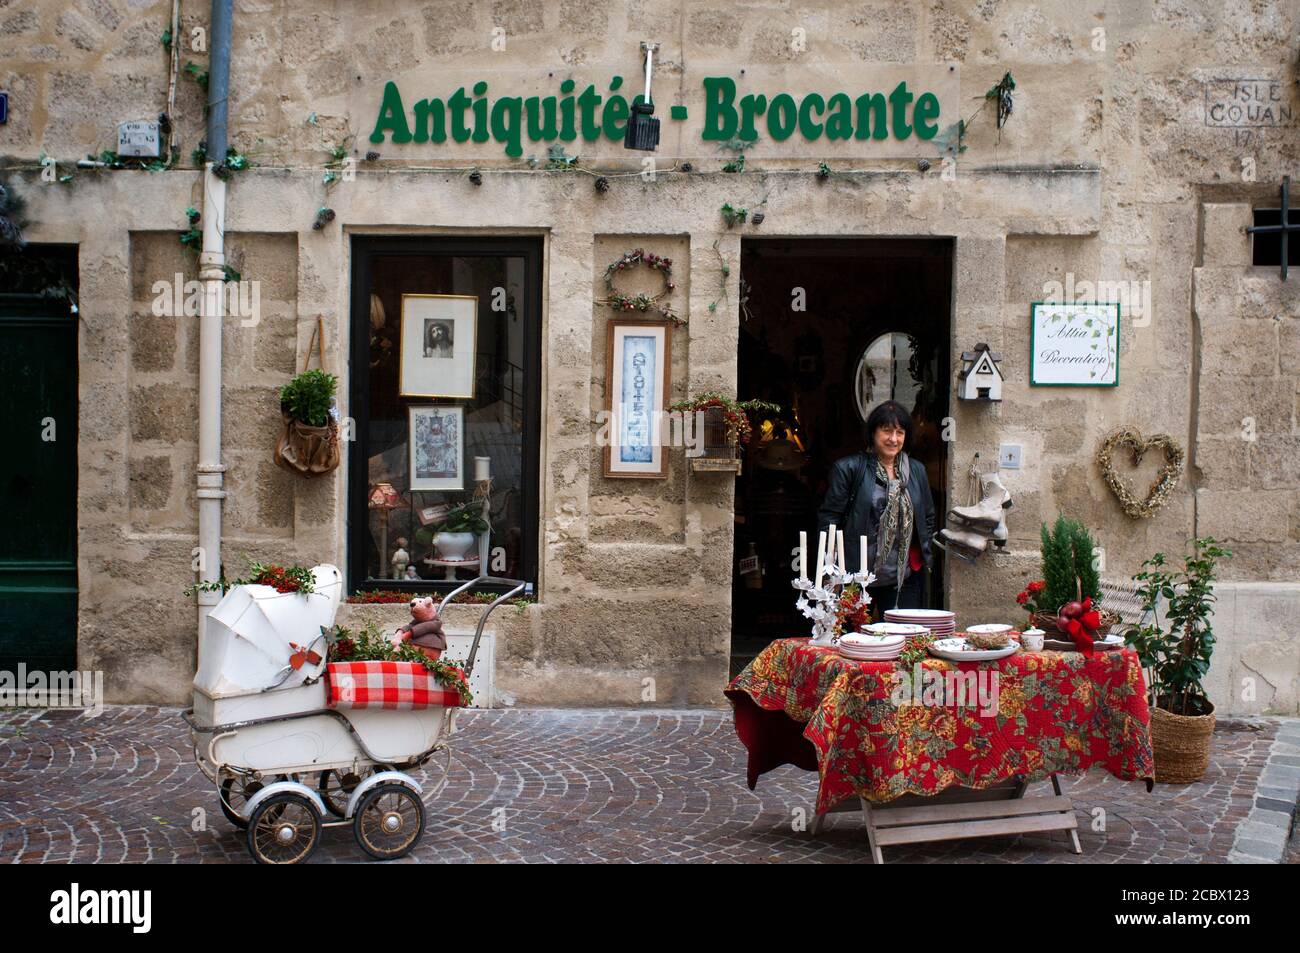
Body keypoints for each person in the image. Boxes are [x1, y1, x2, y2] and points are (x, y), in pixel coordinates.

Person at [816, 400, 936, 612]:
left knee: (902, 639)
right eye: (887, 431)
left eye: (900, 432)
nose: (893, 439)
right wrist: (830, 568)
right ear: (873, 433)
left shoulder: (916, 470)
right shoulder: (848, 468)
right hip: (855, 575)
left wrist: (922, 556)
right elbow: (830, 519)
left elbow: (927, 516)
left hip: (903, 576)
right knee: (855, 642)